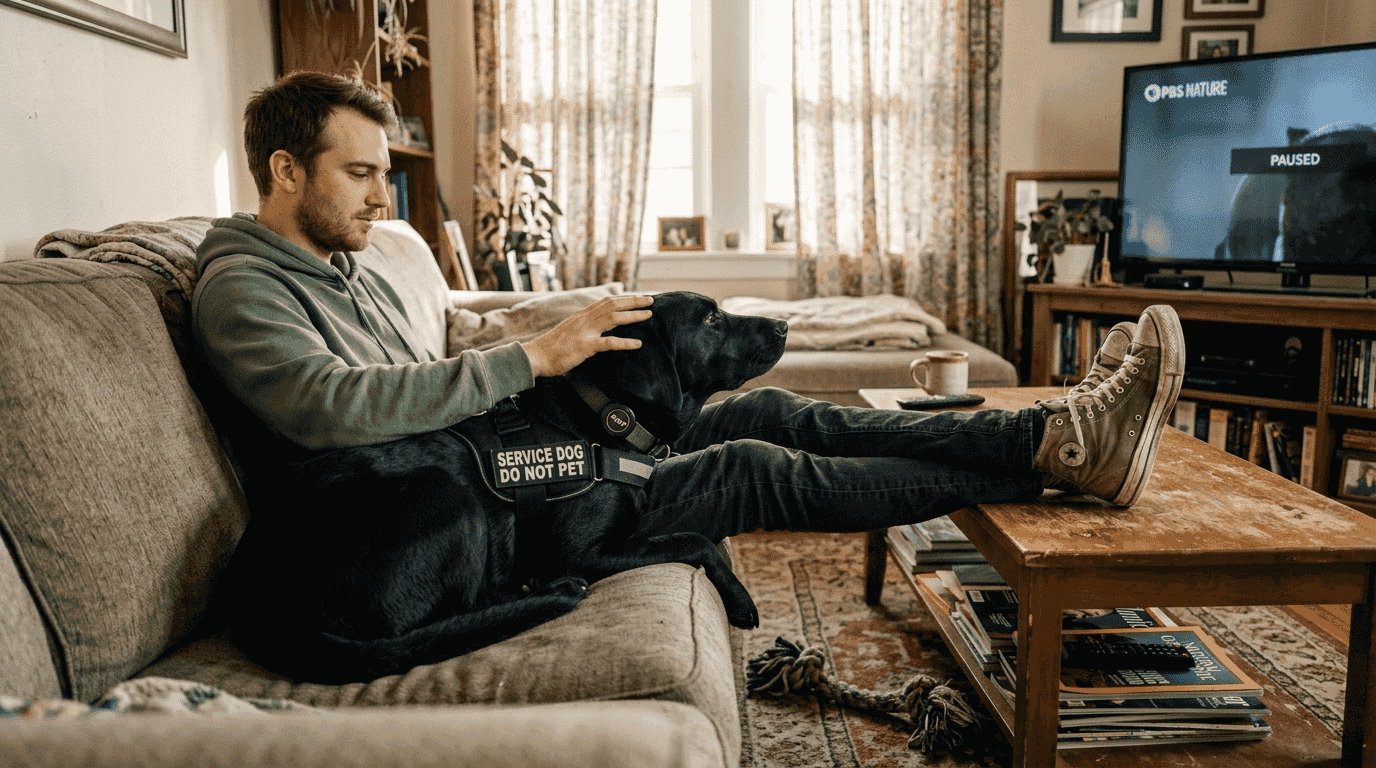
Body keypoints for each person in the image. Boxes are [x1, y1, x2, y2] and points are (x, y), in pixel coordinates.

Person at [193, 71, 1184, 571]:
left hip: (492, 464)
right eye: (359, 174)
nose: (382, 198)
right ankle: (1056, 461)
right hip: (468, 519)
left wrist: (541, 327)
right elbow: (330, 410)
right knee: (747, 468)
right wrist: (527, 359)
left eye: (379, 173)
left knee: (776, 414)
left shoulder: (336, 260)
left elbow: (437, 346)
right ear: (286, 172)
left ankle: (1046, 433)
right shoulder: (244, 286)